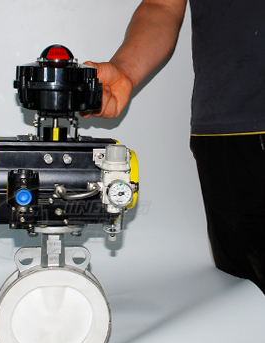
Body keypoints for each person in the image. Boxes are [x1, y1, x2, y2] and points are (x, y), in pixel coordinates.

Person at [82, 0, 265, 292]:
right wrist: (124, 71)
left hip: (228, 127)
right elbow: (162, 6)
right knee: (247, 297)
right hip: (227, 133)